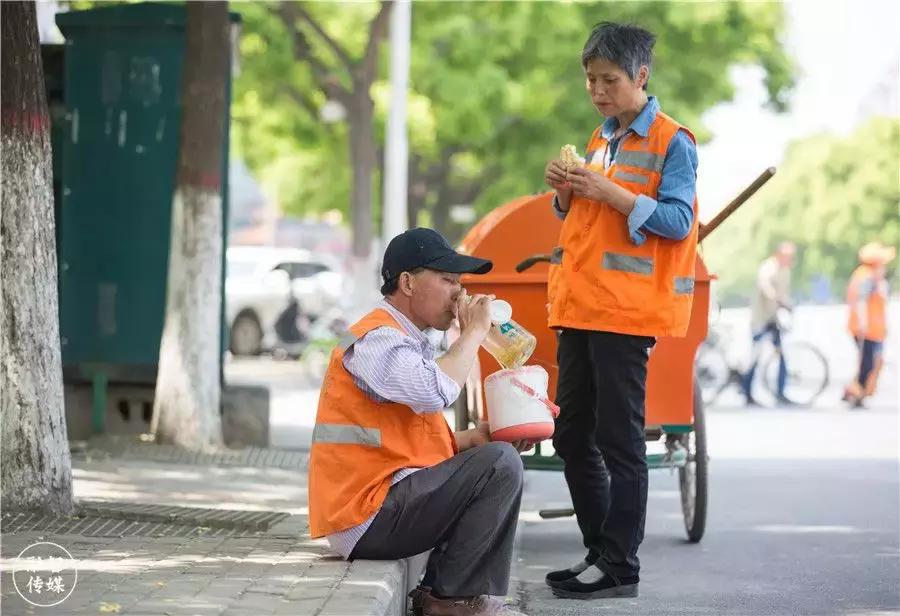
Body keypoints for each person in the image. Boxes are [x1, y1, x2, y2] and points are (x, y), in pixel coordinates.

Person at [542, 22, 699, 600]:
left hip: (625, 317)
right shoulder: (599, 138)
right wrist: (563, 191)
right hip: (580, 308)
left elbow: (679, 221)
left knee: (620, 440)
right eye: (590, 80)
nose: (598, 90)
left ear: (641, 76)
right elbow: (580, 221)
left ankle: (620, 566)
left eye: (609, 79)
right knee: (571, 434)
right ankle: (599, 552)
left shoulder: (672, 141)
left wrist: (610, 191)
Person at [307, 227, 530, 616]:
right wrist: (474, 331)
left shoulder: (409, 341)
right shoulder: (376, 338)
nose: (459, 293)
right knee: (500, 464)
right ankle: (449, 601)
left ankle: (448, 594)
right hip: (365, 515)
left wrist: (472, 439)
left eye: (460, 283)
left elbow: (407, 438)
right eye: (447, 280)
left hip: (380, 504)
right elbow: (436, 391)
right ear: (408, 283)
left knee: (495, 456)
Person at [741, 241, 796, 406]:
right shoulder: (768, 267)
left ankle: (781, 392)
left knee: (781, 355)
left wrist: (787, 305)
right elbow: (766, 287)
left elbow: (783, 293)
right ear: (779, 254)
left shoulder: (785, 271)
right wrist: (777, 299)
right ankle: (746, 391)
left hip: (773, 319)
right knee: (755, 357)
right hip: (760, 319)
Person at [843, 241, 895, 408]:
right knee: (867, 363)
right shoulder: (867, 277)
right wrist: (863, 322)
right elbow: (861, 302)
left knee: (870, 362)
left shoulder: (871, 276)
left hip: (873, 329)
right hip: (866, 329)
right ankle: (854, 392)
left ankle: (858, 392)